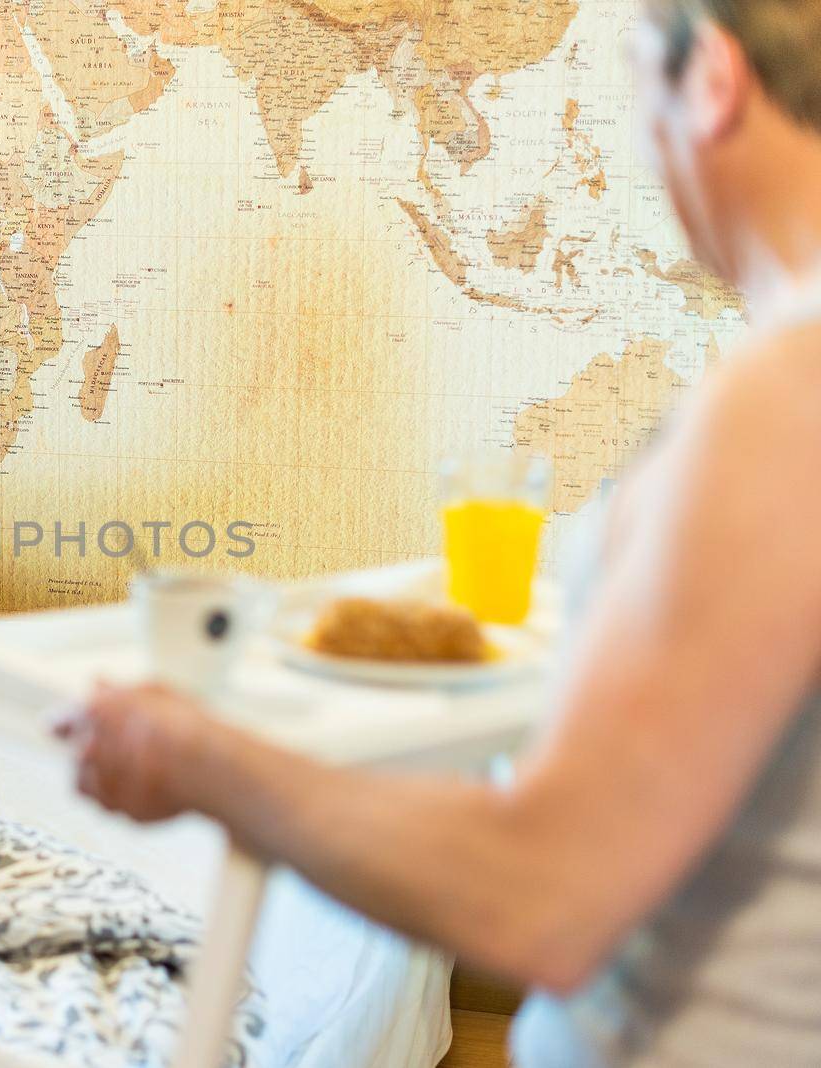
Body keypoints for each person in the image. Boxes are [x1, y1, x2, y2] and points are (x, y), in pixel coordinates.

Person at [58, 1, 821, 1062]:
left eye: (637, 85)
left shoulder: (783, 403)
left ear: (709, 83)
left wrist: (196, 756)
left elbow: (543, 895)